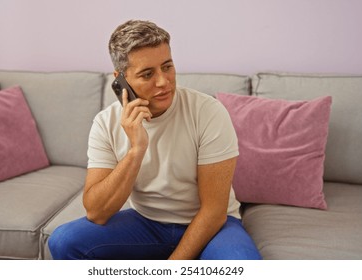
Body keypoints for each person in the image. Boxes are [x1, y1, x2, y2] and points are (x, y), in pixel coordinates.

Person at [48, 19, 261, 260]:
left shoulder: (208, 112)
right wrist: (136, 150)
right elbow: (97, 212)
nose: (163, 82)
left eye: (167, 66)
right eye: (147, 74)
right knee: (64, 241)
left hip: (211, 226)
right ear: (121, 79)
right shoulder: (105, 123)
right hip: (147, 223)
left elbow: (213, 211)